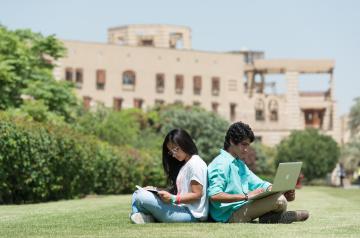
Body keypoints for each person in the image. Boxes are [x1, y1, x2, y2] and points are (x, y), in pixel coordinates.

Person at [207, 121, 309, 223]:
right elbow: (214, 195)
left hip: (242, 207)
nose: (246, 149)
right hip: (228, 216)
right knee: (280, 200)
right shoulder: (220, 164)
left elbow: (259, 183)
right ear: (231, 141)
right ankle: (274, 218)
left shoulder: (239, 164)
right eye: (244, 144)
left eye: (248, 145)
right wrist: (246, 196)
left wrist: (278, 189)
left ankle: (270, 218)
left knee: (281, 199)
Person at [130, 128, 208, 223]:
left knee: (141, 196)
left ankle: (141, 215)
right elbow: (180, 191)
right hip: (181, 209)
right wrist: (156, 190)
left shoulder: (195, 163)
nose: (173, 155)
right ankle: (144, 216)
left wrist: (172, 199)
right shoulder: (186, 164)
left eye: (176, 149)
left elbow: (197, 194)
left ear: (185, 143)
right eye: (171, 151)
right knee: (137, 193)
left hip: (191, 214)